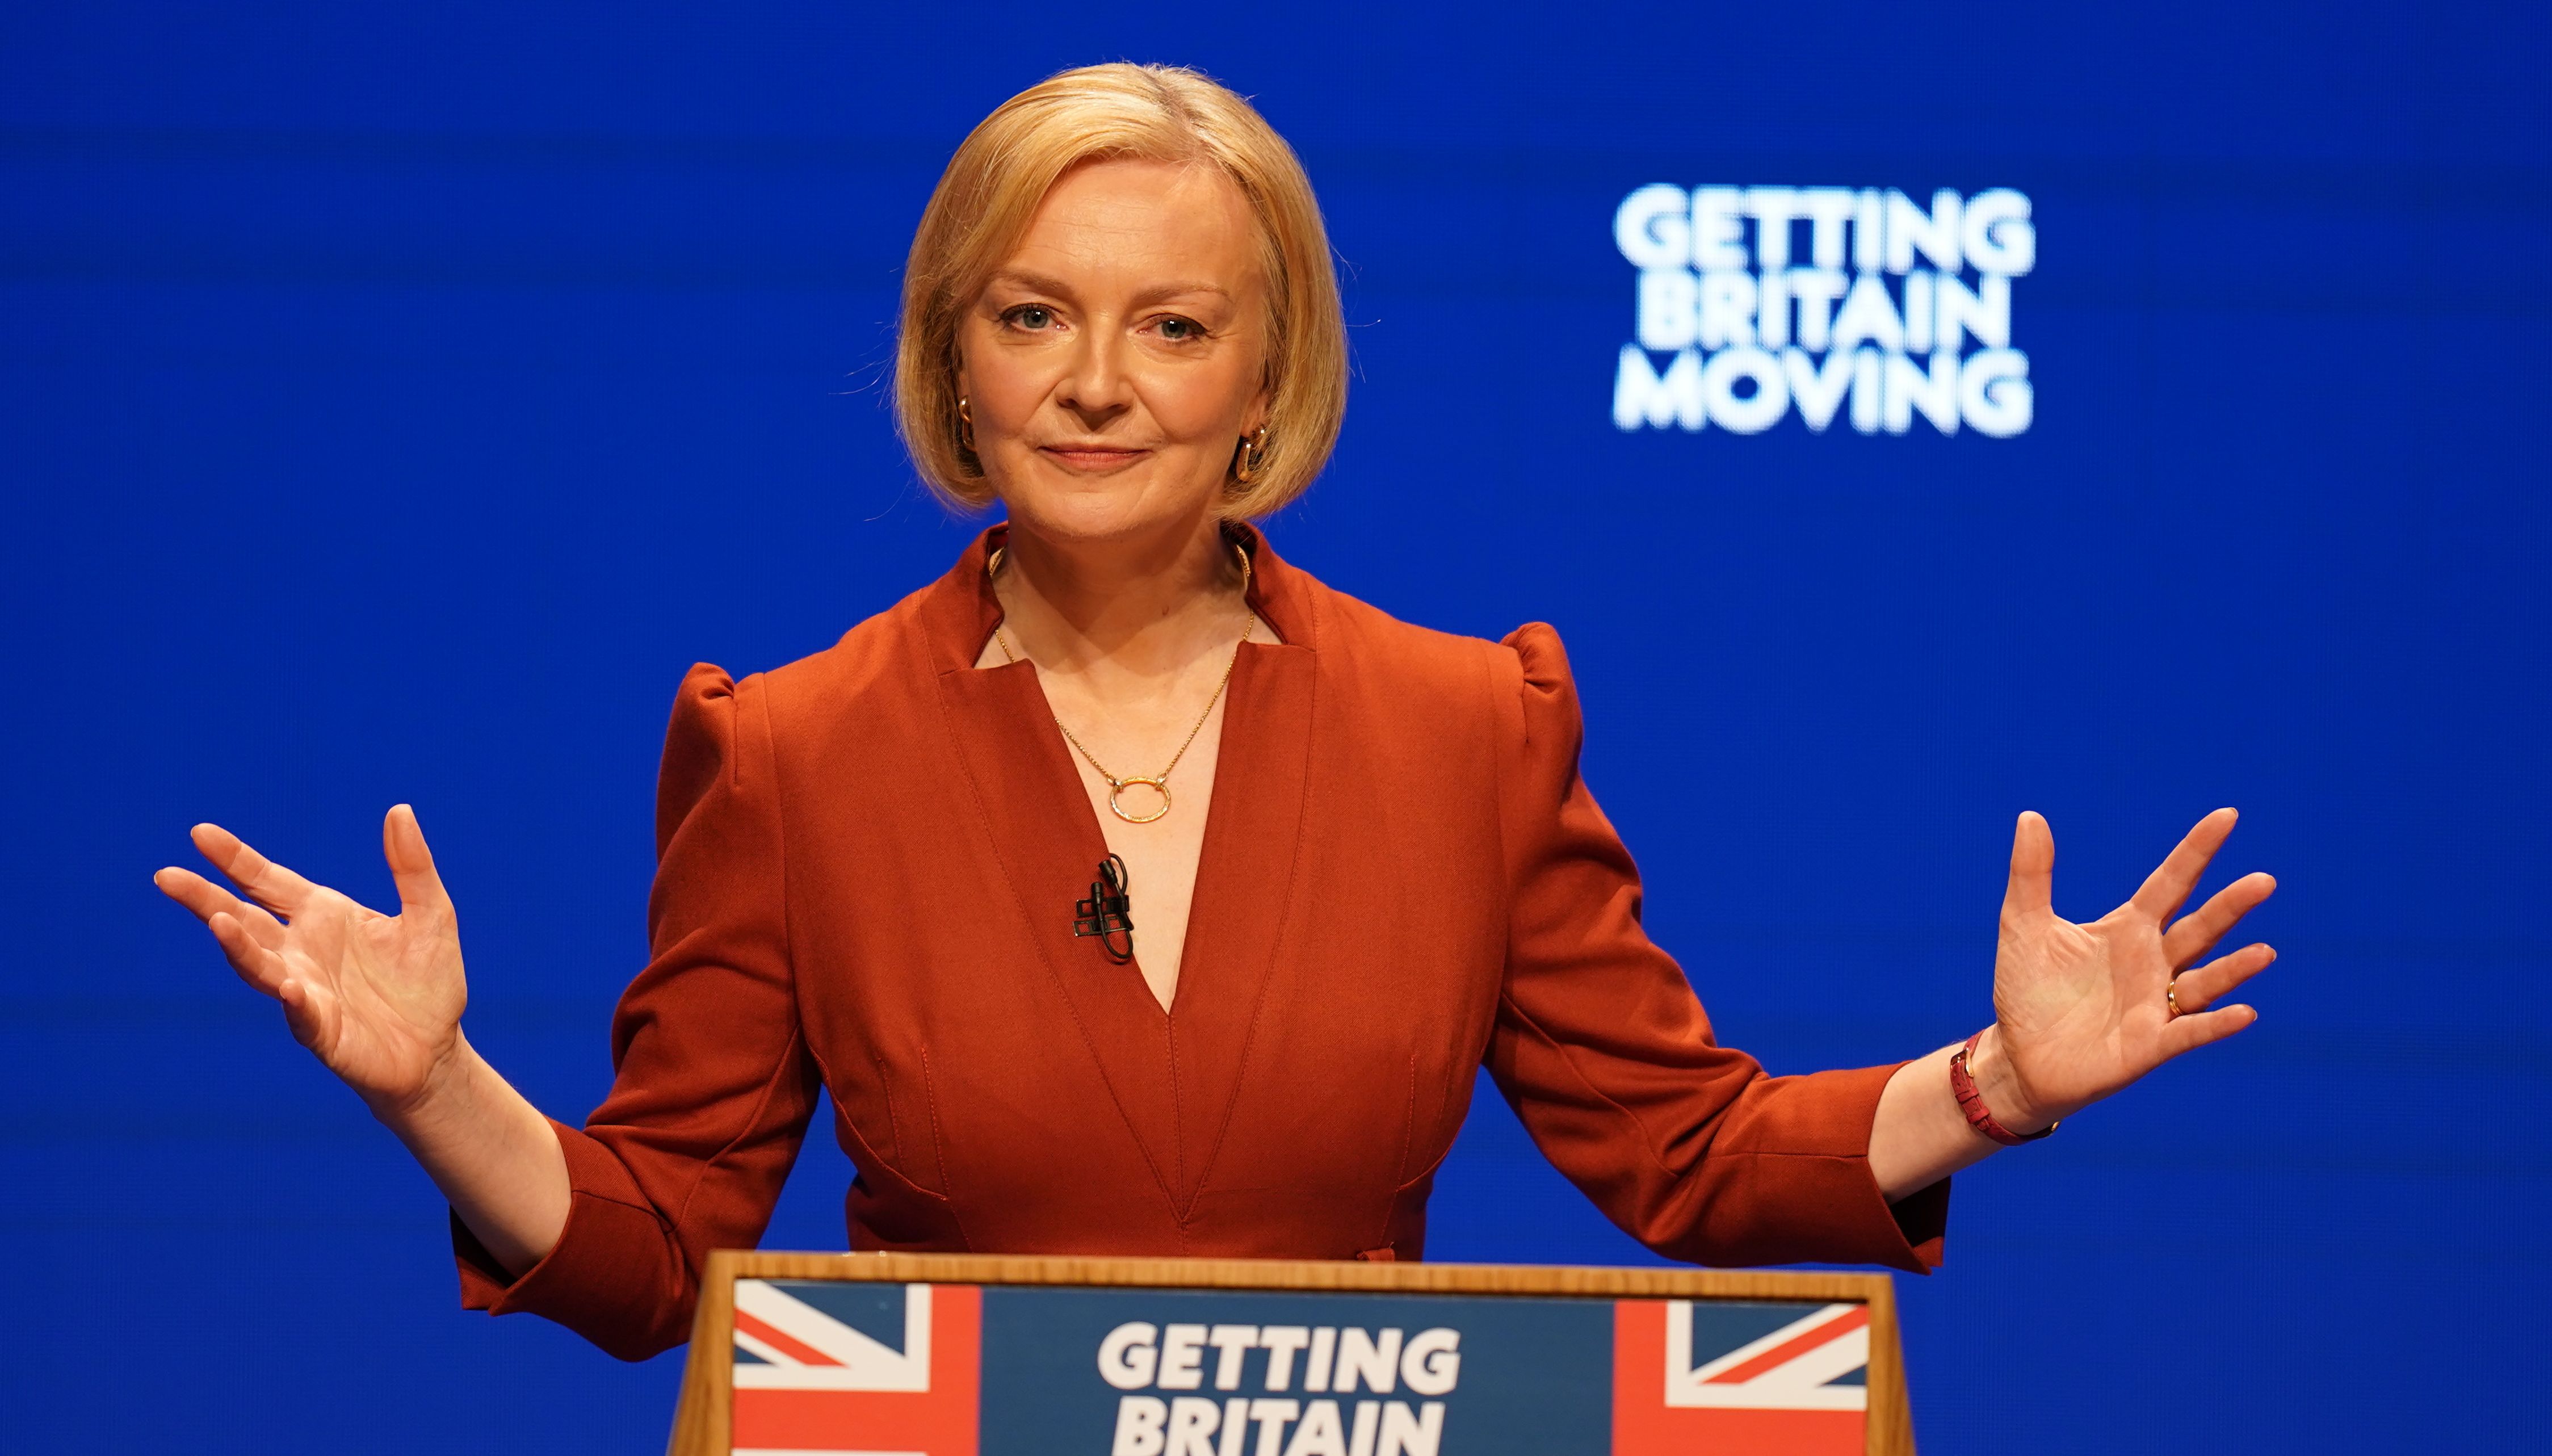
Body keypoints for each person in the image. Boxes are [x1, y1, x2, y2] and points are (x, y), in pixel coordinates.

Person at [152, 63, 2276, 1362]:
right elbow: (652, 1260)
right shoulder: (791, 751)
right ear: (954, 360)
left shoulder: (1466, 727)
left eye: (1172, 326)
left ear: (1267, 378)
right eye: (1033, 319)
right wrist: (431, 1089)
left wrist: (2001, 1080)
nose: (1097, 382)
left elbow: (1694, 1158)